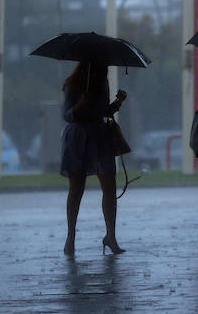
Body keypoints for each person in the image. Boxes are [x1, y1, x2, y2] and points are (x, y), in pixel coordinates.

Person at [61, 61, 127, 256]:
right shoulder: (74, 84)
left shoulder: (101, 83)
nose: (106, 68)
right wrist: (81, 103)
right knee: (76, 188)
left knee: (109, 185)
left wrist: (117, 103)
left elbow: (103, 112)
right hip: (79, 136)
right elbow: (67, 114)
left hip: (99, 135)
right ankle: (70, 237)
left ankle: (111, 235)